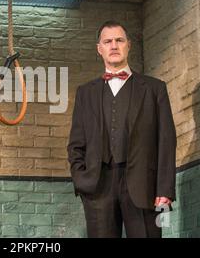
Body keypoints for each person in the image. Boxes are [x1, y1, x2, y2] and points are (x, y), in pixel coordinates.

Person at [67, 21, 176, 238]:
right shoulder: (85, 93)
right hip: (98, 185)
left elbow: (166, 141)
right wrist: (81, 179)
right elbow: (76, 143)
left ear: (129, 45)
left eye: (119, 40)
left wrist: (164, 189)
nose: (114, 45)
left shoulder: (155, 89)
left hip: (144, 184)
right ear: (100, 49)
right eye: (108, 41)